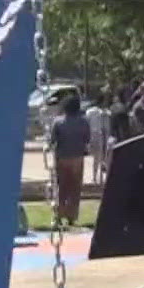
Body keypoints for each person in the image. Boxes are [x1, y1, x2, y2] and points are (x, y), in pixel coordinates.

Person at [48, 94, 92, 227]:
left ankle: (59, 214)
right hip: (77, 157)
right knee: (75, 188)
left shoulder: (58, 122)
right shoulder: (84, 122)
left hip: (62, 157)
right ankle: (72, 216)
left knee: (62, 187)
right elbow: (87, 138)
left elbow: (53, 140)